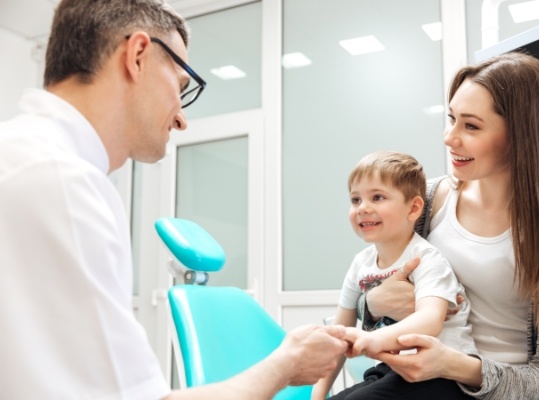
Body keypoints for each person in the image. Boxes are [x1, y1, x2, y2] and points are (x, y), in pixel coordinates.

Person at [0, 0, 347, 399]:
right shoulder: (60, 182)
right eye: (181, 87)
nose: (182, 117)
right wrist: (287, 365)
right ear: (138, 56)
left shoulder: (27, 160)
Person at [357, 52, 539, 399]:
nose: (450, 137)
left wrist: (454, 365)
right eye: (451, 119)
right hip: (410, 376)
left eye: (471, 126)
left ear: (521, 135)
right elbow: (365, 292)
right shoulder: (427, 200)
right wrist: (373, 303)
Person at [312, 151, 476, 400]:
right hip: (393, 368)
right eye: (355, 200)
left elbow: (429, 320)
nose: (363, 208)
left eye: (377, 197)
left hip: (443, 373)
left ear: (413, 208)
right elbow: (339, 335)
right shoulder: (360, 264)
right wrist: (318, 395)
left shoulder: (427, 258)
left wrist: (371, 339)